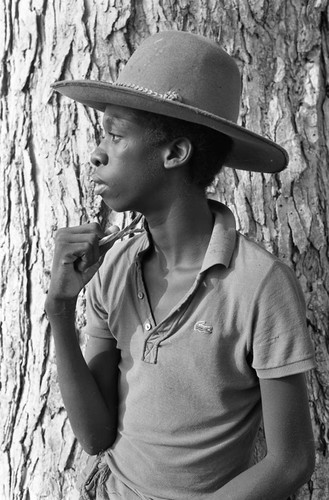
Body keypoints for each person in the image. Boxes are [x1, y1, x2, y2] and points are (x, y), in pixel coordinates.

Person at [45, 31, 316, 500]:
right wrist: (60, 310)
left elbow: (290, 461)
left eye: (115, 134)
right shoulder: (113, 270)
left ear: (175, 153)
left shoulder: (258, 284)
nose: (96, 152)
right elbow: (95, 437)